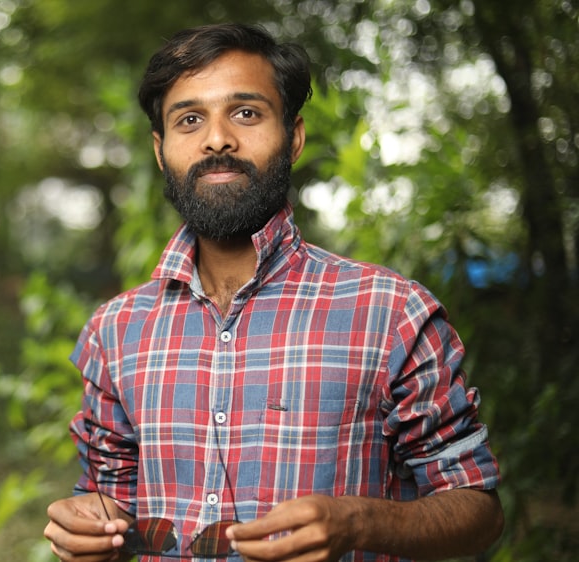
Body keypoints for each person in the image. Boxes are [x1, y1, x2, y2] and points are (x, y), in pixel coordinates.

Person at [43, 22, 503, 562]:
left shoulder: (392, 313)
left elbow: (479, 512)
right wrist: (89, 528)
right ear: (160, 149)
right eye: (189, 120)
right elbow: (106, 502)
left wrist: (356, 522)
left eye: (246, 112)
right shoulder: (114, 331)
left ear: (295, 136)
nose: (217, 139)